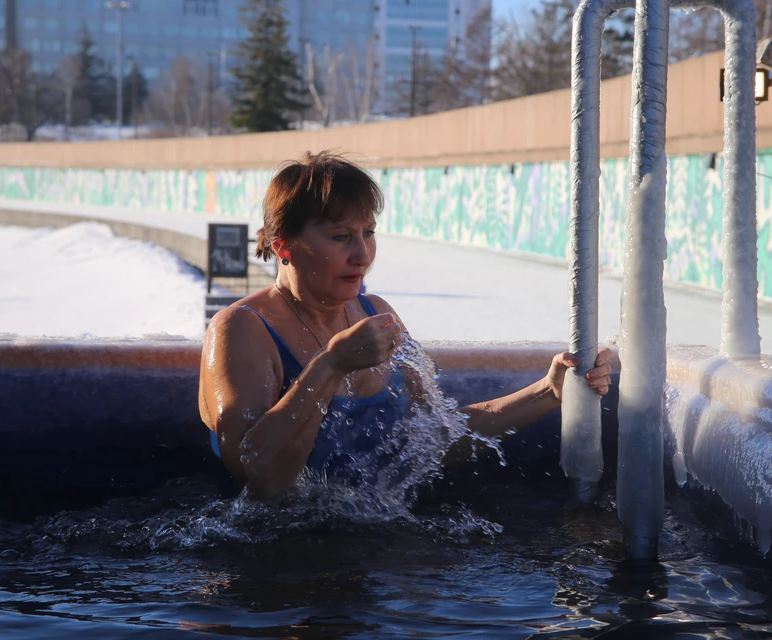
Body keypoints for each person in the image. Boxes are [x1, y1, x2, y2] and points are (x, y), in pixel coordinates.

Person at [199, 152, 612, 499]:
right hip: (275, 567)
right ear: (283, 245)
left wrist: (547, 391)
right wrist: (329, 367)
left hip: (373, 546)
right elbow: (261, 476)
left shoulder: (376, 314)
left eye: (369, 233)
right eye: (341, 236)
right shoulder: (242, 329)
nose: (362, 254)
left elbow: (437, 438)